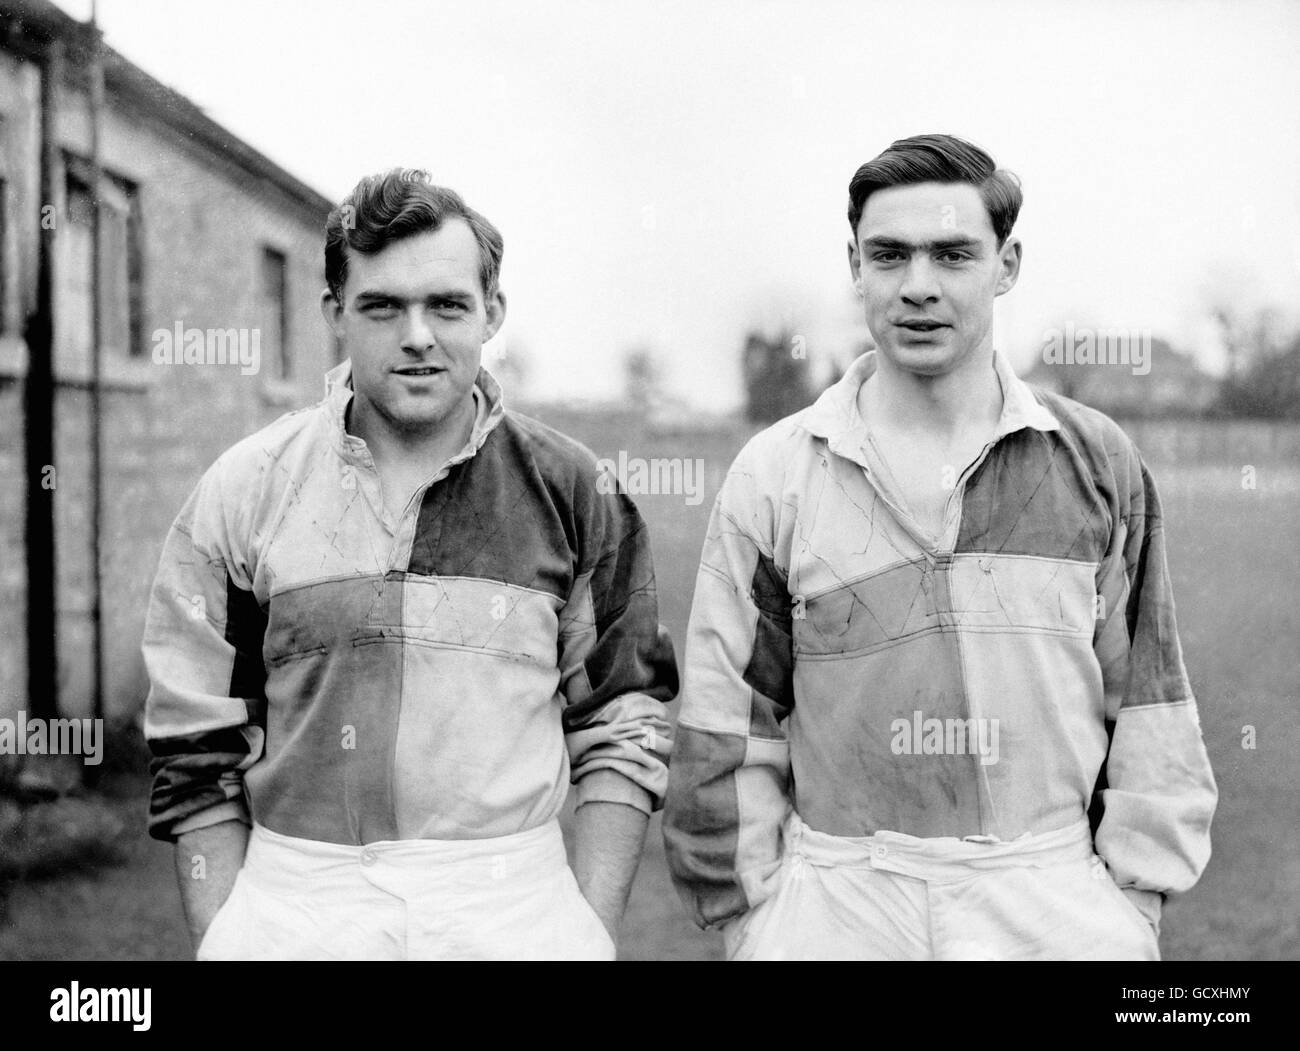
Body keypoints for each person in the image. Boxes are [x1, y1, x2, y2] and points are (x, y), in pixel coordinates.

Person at [662, 134, 1217, 961]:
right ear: (856, 265)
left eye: (953, 254)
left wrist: (1130, 904)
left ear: (1007, 263)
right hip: (839, 898)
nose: (917, 286)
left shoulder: (1095, 460)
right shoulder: (775, 473)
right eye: (889, 255)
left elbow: (1150, 702)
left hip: (1049, 897)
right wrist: (758, 919)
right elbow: (726, 720)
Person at [142, 169, 677, 961]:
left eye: (447, 304)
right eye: (383, 306)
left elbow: (622, 719)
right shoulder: (244, 488)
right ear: (335, 315)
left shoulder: (574, 489)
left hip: (512, 907)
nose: (417, 334)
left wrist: (587, 927)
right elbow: (194, 744)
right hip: (298, 905)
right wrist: (226, 932)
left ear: (491, 313)